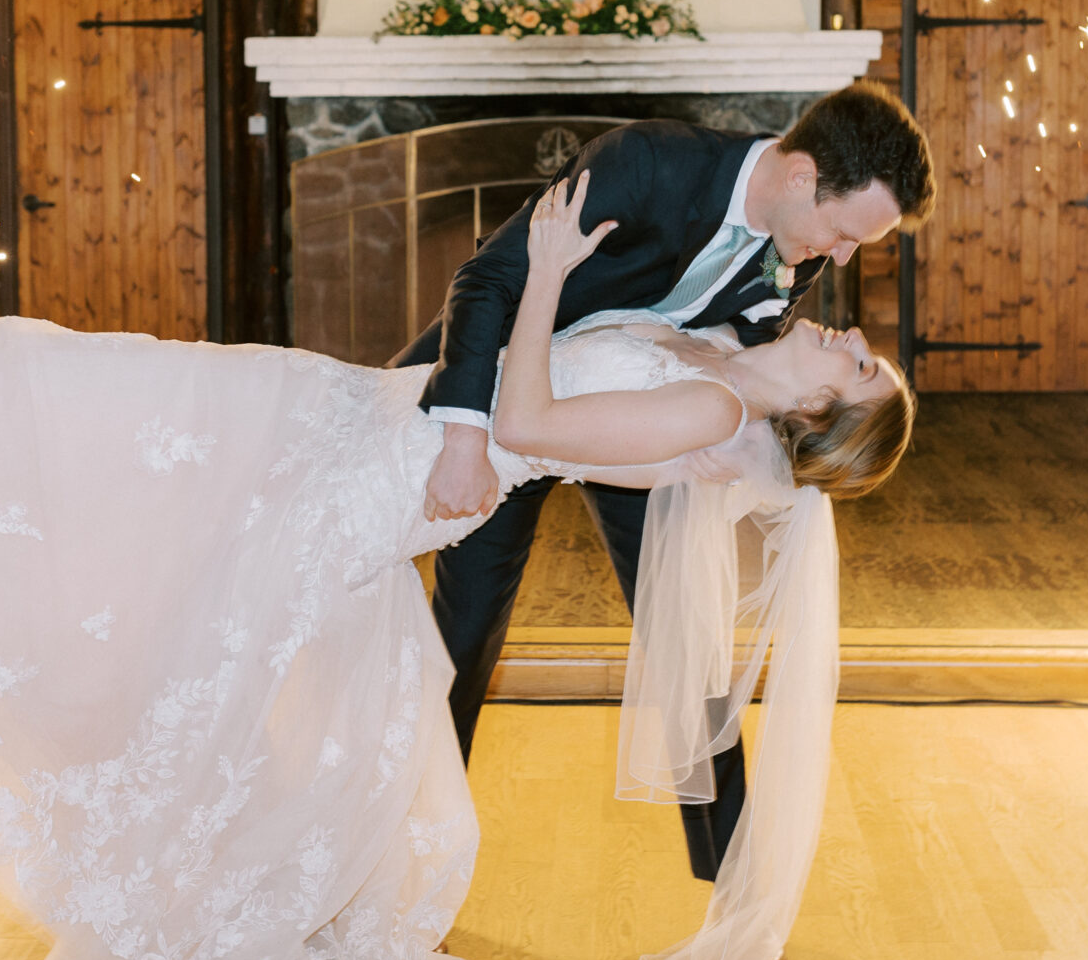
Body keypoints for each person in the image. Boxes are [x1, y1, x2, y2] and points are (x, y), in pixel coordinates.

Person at [0, 153, 913, 960]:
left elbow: (531, 418)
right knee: (157, 397)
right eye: (863, 345)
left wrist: (552, 266)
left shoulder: (704, 408)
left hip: (385, 480)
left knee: (155, 471)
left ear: (820, 408)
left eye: (859, 366)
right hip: (368, 418)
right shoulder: (726, 366)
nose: (851, 331)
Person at [395, 84, 935, 899]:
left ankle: (736, 898)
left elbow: (748, 352)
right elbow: (488, 279)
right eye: (845, 231)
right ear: (800, 179)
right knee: (461, 640)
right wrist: (465, 438)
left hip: (642, 421)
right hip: (499, 403)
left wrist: (718, 433)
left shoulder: (804, 243)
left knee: (690, 642)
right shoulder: (647, 164)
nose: (844, 256)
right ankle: (410, 872)